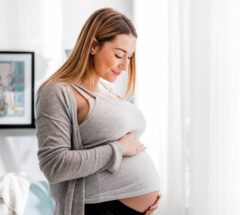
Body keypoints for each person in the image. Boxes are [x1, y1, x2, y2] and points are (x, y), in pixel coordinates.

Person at [35, 8, 161, 215]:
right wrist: (118, 149)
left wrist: (142, 193)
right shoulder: (57, 91)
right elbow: (54, 165)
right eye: (119, 55)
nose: (125, 66)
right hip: (97, 208)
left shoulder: (106, 90)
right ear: (93, 45)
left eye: (129, 57)